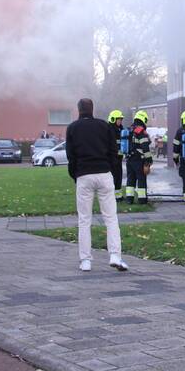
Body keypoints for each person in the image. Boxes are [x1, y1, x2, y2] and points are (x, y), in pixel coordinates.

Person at [65, 98, 126, 272]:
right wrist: (112, 173)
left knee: (84, 220)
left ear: (78, 110)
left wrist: (75, 174)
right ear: (92, 109)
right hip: (104, 174)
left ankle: (85, 260)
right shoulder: (104, 126)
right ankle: (115, 255)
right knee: (111, 218)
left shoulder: (72, 128)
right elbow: (113, 152)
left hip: (84, 175)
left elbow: (71, 156)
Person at [123, 110, 152, 205]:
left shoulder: (129, 129)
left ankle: (129, 199)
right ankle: (142, 200)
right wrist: (149, 160)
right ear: (143, 119)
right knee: (141, 179)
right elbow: (145, 147)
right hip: (138, 159)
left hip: (129, 159)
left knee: (130, 179)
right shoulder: (141, 131)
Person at [108, 110, 127, 201]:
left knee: (119, 176)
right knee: (114, 177)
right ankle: (113, 197)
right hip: (112, 158)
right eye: (119, 119)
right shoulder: (109, 129)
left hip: (118, 158)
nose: (120, 121)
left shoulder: (120, 129)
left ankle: (118, 196)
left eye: (121, 119)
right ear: (113, 119)